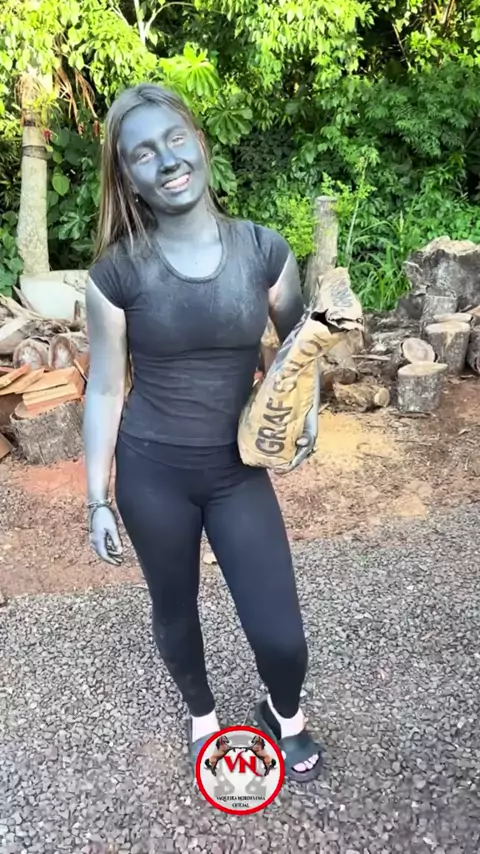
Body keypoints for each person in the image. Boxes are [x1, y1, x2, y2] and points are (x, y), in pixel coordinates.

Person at [83, 82, 322, 783]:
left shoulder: (264, 251)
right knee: (175, 610)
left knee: (281, 633)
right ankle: (202, 714)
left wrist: (306, 410)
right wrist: (96, 497)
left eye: (175, 140)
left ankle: (284, 712)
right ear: (127, 177)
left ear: (199, 142)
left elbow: (299, 349)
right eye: (143, 154)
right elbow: (105, 387)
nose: (167, 161)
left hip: (237, 471)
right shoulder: (115, 274)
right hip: (152, 473)